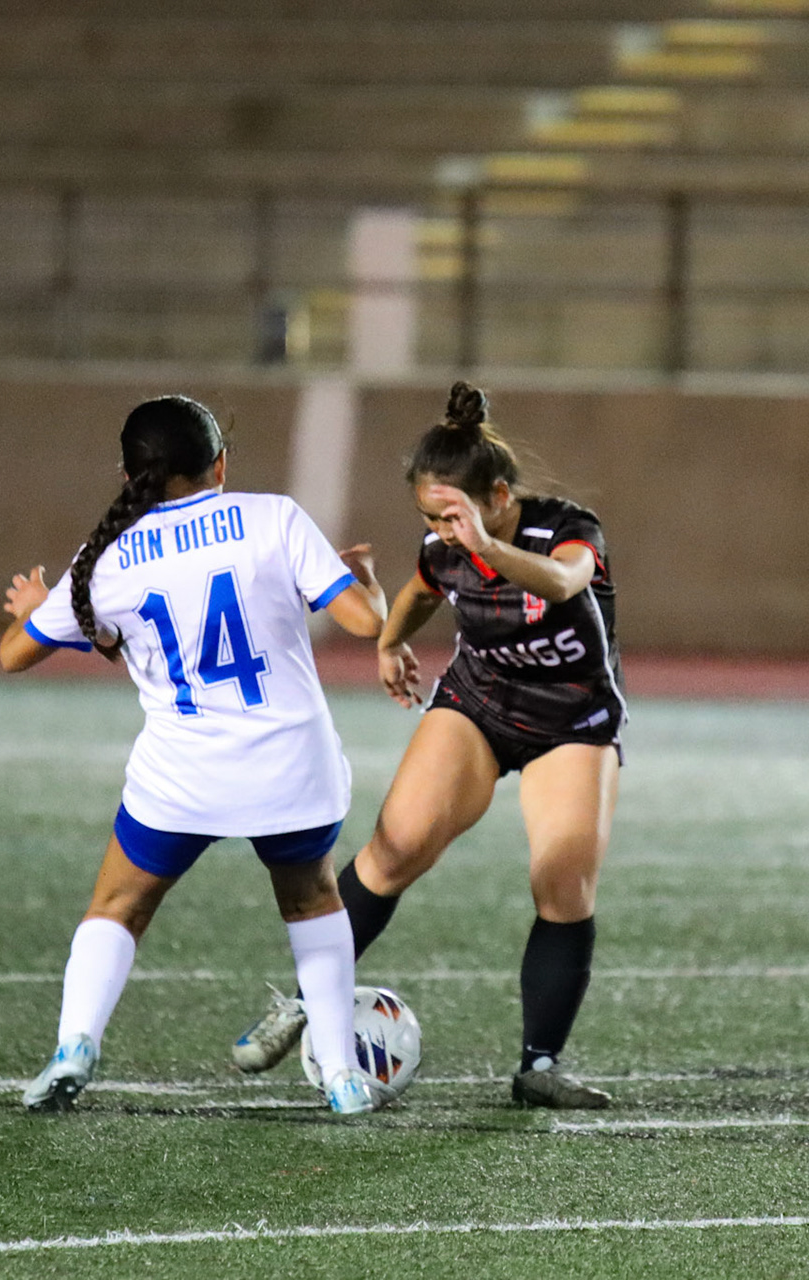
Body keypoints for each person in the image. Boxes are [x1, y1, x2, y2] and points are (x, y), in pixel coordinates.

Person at [231, 383, 624, 1108]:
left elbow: (564, 583)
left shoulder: (566, 529)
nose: (443, 530)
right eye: (431, 518)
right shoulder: (443, 549)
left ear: (498, 496)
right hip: (480, 704)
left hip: (571, 722)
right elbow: (419, 591)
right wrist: (389, 643)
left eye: (453, 515)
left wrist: (488, 546)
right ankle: (303, 1002)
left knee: (563, 879)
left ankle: (539, 1065)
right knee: (395, 847)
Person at [0, 394, 390, 1113]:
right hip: (290, 766)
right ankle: (341, 1076)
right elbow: (366, 624)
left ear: (128, 475)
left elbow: (13, 654)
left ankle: (74, 1046)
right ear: (220, 464)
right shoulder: (273, 518)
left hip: (183, 776)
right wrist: (368, 583)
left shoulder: (104, 558)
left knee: (117, 906)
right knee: (312, 902)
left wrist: (38, 609)